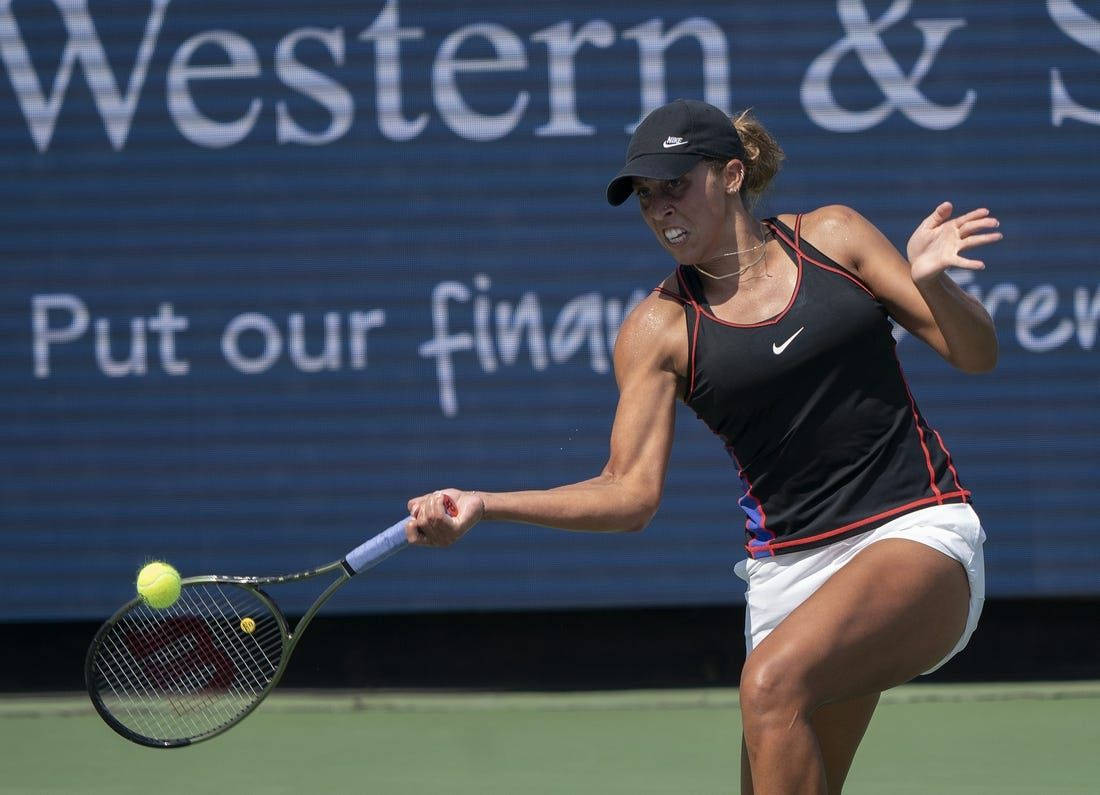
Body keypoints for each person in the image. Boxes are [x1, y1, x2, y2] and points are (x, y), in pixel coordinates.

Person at [405, 98, 1001, 794]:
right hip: (790, 579)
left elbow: (977, 354)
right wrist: (485, 503)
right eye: (647, 198)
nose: (661, 210)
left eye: (675, 185)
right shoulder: (656, 330)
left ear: (730, 174)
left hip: (918, 532)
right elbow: (628, 493)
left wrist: (934, 283)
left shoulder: (836, 238)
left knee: (771, 684)